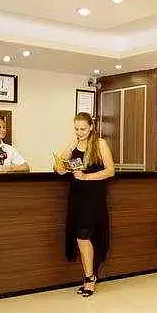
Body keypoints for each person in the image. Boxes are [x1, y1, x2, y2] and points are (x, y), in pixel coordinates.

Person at [54, 112, 115, 296]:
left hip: (93, 197)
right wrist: (68, 150)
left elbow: (110, 171)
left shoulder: (100, 143)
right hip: (77, 197)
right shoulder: (74, 144)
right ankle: (90, 276)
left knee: (84, 236)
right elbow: (58, 168)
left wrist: (86, 177)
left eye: (83, 129)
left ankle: (89, 278)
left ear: (91, 128)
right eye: (76, 129)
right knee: (81, 237)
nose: (79, 132)